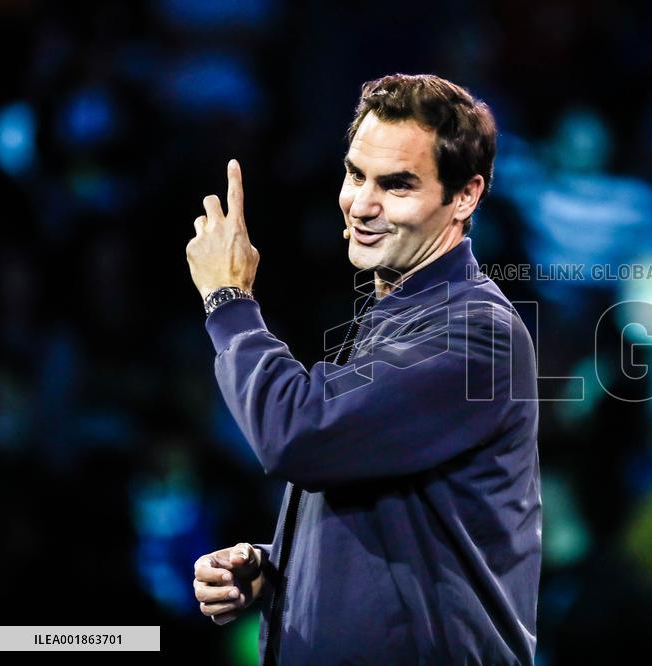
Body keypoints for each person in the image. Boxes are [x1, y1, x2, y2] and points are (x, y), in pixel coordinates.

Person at [185, 74, 542, 665]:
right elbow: (404, 522)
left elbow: (297, 433)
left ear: (466, 196)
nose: (362, 205)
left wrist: (228, 301)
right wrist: (278, 567)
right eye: (355, 175)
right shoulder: (396, 315)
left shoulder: (478, 334)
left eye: (397, 185)